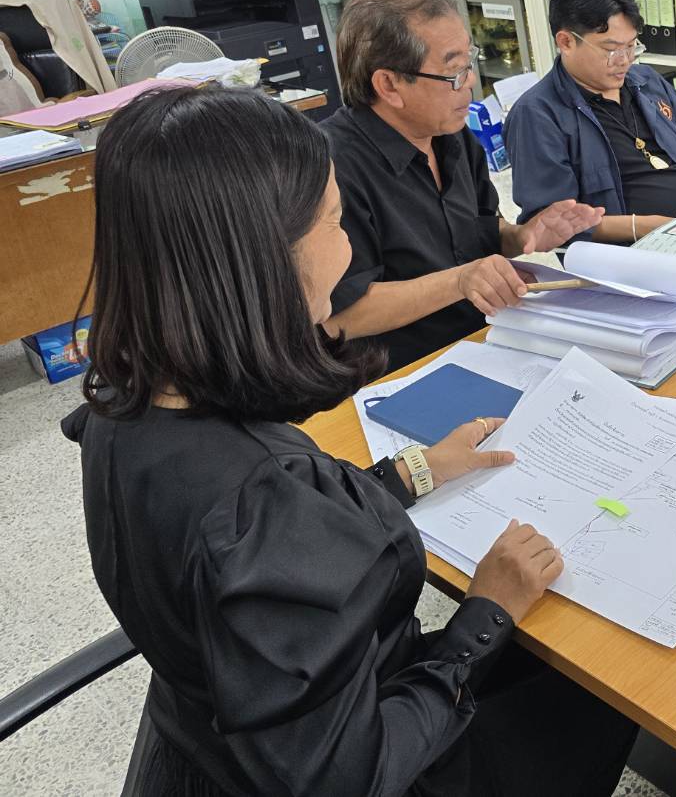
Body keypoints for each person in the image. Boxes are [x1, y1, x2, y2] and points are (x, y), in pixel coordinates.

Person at [64, 86, 635, 796]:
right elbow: (351, 773)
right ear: (260, 258)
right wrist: (483, 615)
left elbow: (258, 547)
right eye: (335, 224)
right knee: (605, 680)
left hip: (213, 742)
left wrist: (413, 473)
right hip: (366, 756)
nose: (349, 248)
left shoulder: (127, 404)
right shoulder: (256, 506)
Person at [322, 0, 601, 371]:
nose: (469, 82)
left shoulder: (451, 136)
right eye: (453, 73)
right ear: (388, 85)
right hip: (404, 372)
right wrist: (459, 281)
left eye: (468, 63)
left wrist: (523, 237)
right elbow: (341, 317)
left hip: (490, 341)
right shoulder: (331, 168)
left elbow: (481, 235)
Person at [505, 0, 676, 243]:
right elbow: (550, 225)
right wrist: (639, 227)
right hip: (634, 257)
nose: (625, 60)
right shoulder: (537, 115)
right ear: (566, 42)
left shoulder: (645, 81)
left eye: (632, 46)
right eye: (611, 50)